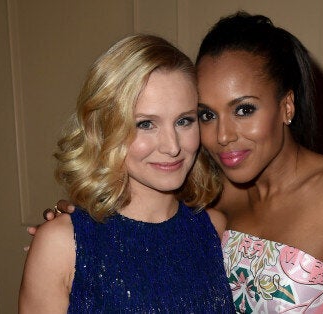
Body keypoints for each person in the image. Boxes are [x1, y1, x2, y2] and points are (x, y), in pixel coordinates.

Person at [44, 11, 323, 313]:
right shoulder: (211, 196)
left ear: (287, 105)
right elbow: (142, 235)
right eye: (205, 115)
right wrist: (80, 227)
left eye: (244, 109)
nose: (222, 136)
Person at [19, 34, 235, 313]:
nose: (172, 147)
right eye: (145, 124)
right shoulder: (61, 244)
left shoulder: (213, 228)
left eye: (184, 121)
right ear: (106, 129)